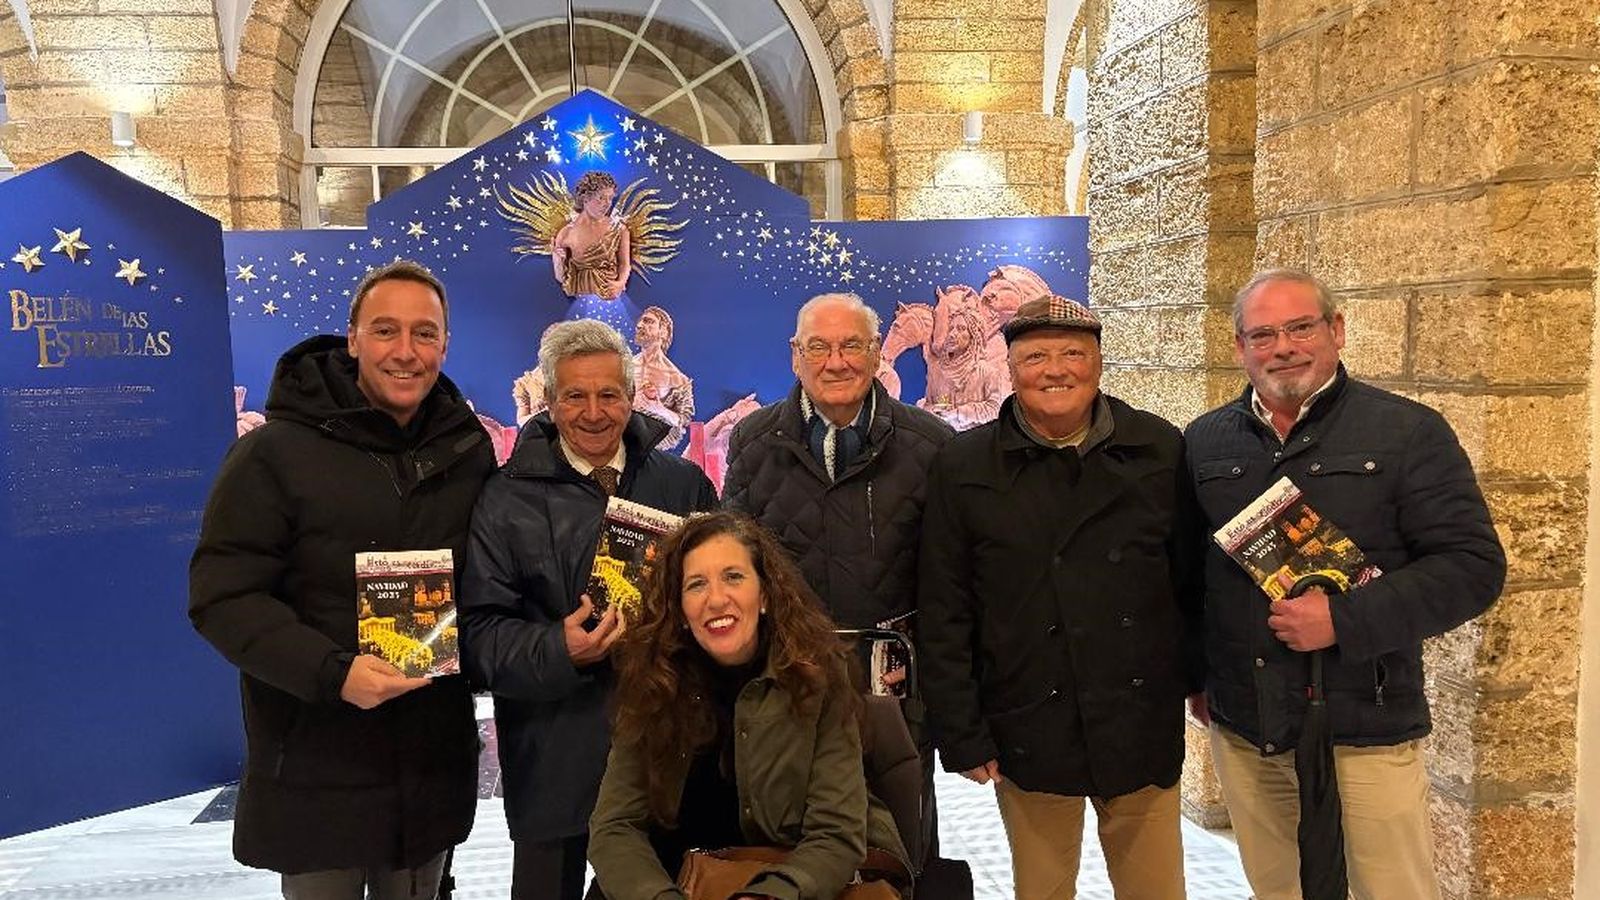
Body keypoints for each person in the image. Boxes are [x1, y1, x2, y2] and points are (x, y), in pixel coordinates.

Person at [1185, 268, 1506, 900]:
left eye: (1301, 327)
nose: (1283, 347)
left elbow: (1472, 566)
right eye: (1263, 333)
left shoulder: (1408, 432)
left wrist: (1345, 619)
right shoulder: (1204, 441)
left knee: (1391, 888)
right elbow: (1194, 575)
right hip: (1250, 725)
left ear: (1336, 329)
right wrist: (1198, 675)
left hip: (1366, 720)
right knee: (1277, 885)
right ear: (1239, 347)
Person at [189, 260, 495, 898]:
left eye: (424, 333)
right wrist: (333, 673)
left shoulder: (467, 449)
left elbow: (488, 579)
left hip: (429, 759)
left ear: (445, 344)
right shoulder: (272, 454)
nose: (405, 352)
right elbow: (224, 597)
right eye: (385, 331)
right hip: (316, 758)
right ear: (352, 338)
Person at [918, 295, 1203, 900]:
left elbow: (1192, 584)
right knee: (1042, 890)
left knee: (1157, 890)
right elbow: (946, 607)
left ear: (1098, 363)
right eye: (1035, 356)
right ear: (1011, 366)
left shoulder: (1158, 449)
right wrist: (961, 730)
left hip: (1137, 718)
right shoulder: (964, 465)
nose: (1055, 370)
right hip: (1028, 714)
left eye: (1073, 353)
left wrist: (1201, 680)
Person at [458, 319, 717, 900]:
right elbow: (475, 633)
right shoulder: (504, 499)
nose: (594, 412)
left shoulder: (685, 486)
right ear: (548, 401)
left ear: (632, 397)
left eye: (610, 394)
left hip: (665, 749)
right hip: (553, 753)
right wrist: (557, 648)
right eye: (575, 395)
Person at [721, 292, 952, 864]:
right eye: (819, 347)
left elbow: (950, 583)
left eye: (852, 345)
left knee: (899, 851)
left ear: (877, 355)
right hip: (789, 686)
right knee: (795, 844)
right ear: (795, 357)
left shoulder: (931, 445)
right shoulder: (753, 444)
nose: (836, 361)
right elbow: (737, 565)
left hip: (897, 696)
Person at [588, 511, 908, 900]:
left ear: (766, 596)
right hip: (672, 880)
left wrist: (769, 896)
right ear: (680, 610)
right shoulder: (651, 681)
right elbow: (615, 826)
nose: (716, 599)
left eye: (734, 577)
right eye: (696, 584)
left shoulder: (819, 676)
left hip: (792, 881)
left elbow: (836, 834)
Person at [553, 171, 630, 301]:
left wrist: (620, 283)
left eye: (610, 198)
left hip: (609, 298)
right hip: (579, 299)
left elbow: (624, 264)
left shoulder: (619, 229)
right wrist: (558, 261)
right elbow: (561, 278)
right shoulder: (566, 233)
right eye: (601, 198)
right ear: (585, 198)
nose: (607, 204)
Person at [631, 305, 695, 450]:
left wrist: (658, 408)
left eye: (648, 322)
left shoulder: (677, 379)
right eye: (640, 321)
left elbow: (683, 420)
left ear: (663, 331)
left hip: (654, 450)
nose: (640, 325)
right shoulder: (624, 366)